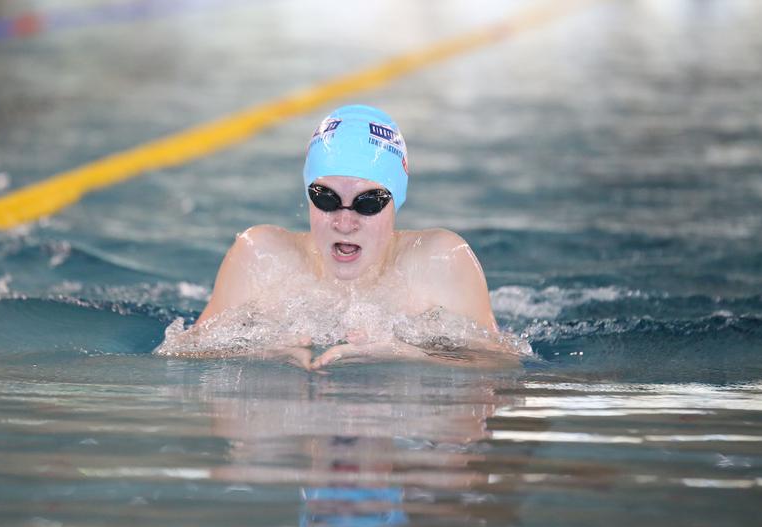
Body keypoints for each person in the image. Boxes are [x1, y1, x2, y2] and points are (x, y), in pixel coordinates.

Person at [158, 104, 527, 369]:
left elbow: (503, 366)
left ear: (395, 202)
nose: (345, 221)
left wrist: (405, 354)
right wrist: (261, 351)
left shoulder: (441, 260)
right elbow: (180, 352)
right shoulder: (261, 256)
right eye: (327, 199)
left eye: (368, 203)